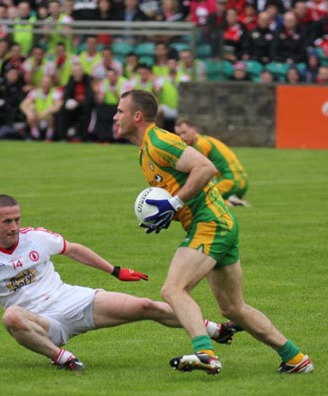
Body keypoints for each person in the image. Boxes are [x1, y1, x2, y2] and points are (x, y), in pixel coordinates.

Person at [0, 194, 240, 371]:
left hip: (71, 300)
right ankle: (63, 358)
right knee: (10, 318)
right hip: (42, 324)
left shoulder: (35, 238)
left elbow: (73, 250)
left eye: (17, 219)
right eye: (7, 221)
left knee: (146, 306)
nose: (14, 226)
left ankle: (213, 330)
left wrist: (115, 270)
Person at [112, 89, 313, 375]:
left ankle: (205, 353)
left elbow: (205, 168)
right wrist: (168, 212)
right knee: (233, 308)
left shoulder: (159, 141)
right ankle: (295, 358)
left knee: (173, 289)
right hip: (219, 223)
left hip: (210, 223)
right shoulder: (145, 153)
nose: (114, 116)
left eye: (120, 111)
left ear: (137, 116)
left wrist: (175, 202)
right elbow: (179, 188)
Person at [174, 117, 249, 206]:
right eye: (179, 134)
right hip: (241, 182)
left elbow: (201, 172)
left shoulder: (201, 144)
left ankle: (231, 203)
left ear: (193, 130)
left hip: (232, 182)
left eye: (184, 132)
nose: (182, 137)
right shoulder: (202, 140)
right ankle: (232, 199)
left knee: (198, 197)